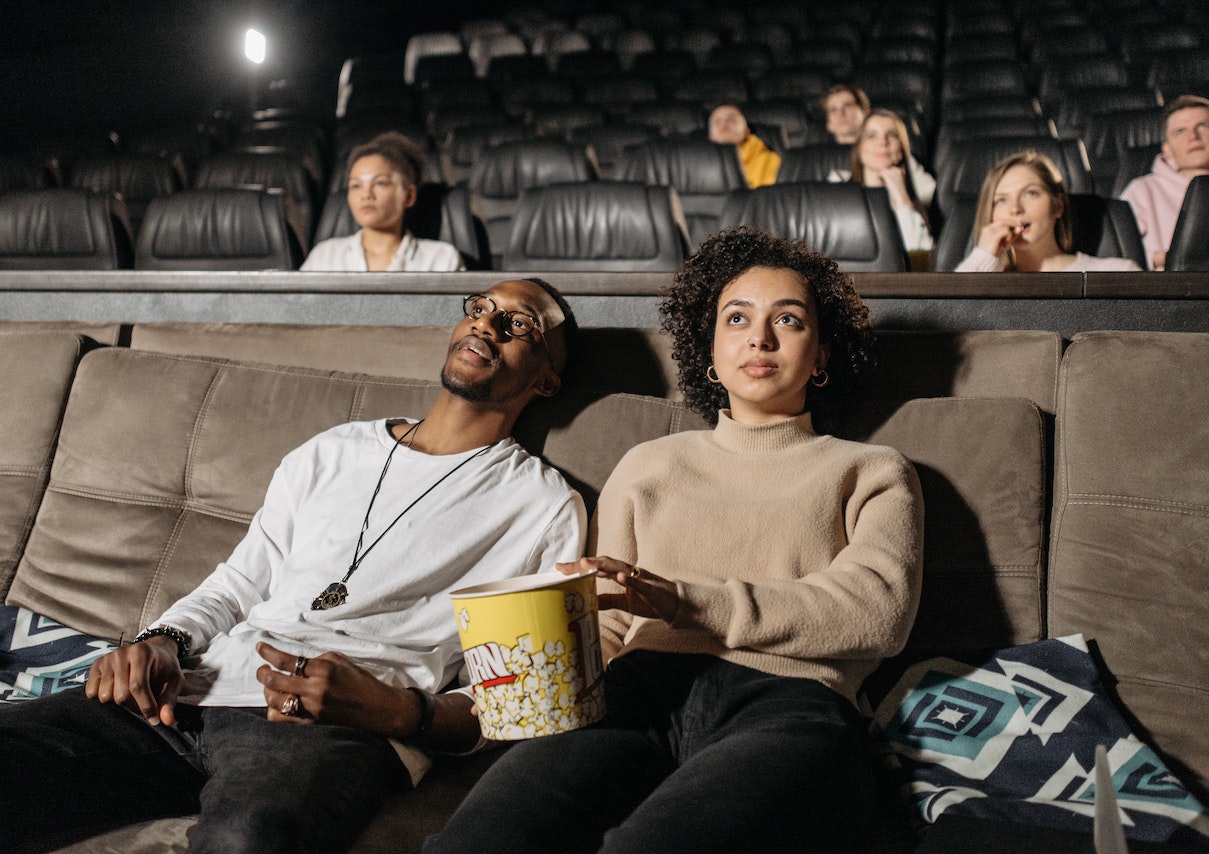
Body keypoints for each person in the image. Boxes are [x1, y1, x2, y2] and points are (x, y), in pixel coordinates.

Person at [0, 278, 587, 854]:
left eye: (520, 323)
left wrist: (402, 712)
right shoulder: (333, 451)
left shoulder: (541, 505)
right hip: (187, 691)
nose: (488, 322)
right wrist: (161, 642)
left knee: (247, 841)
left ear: (546, 380)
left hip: (330, 726)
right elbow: (240, 581)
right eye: (481, 306)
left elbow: (519, 698)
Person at [423, 227, 925, 854]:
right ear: (710, 353)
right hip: (634, 694)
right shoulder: (649, 465)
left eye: (789, 321)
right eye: (736, 318)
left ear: (821, 355)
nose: (760, 338)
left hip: (790, 702)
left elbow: (877, 614)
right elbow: (603, 625)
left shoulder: (872, 469)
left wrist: (685, 600)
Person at [1119, 95, 1209, 271]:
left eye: (1202, 127)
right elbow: (1119, 256)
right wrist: (1166, 258)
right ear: (1167, 148)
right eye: (1180, 132)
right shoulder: (1142, 191)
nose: (1193, 137)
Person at [302, 131, 464, 272]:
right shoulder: (324, 257)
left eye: (380, 183)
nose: (366, 194)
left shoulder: (441, 260)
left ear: (409, 196)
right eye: (356, 186)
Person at [956, 151, 1143, 272]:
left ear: (1058, 206)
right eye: (1001, 200)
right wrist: (982, 256)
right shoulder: (984, 279)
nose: (1015, 209)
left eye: (1030, 193)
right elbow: (947, 320)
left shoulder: (1117, 272)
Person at [850, 108, 934, 253]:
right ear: (859, 148)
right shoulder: (840, 194)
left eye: (892, 135)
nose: (883, 142)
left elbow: (921, 259)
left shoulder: (915, 206)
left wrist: (901, 198)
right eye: (871, 136)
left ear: (901, 150)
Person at [707, 104, 780, 189]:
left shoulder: (770, 161)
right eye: (717, 121)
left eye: (732, 120)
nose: (724, 124)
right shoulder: (698, 163)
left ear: (746, 132)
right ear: (710, 136)